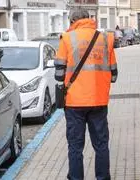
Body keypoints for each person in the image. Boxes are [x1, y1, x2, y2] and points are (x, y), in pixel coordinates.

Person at [54, 8, 118, 180]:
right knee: (101, 144)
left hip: (75, 103)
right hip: (98, 100)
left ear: (72, 21)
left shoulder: (66, 38)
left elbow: (59, 75)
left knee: (75, 146)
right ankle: (103, 177)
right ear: (89, 19)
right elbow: (114, 75)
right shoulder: (105, 38)